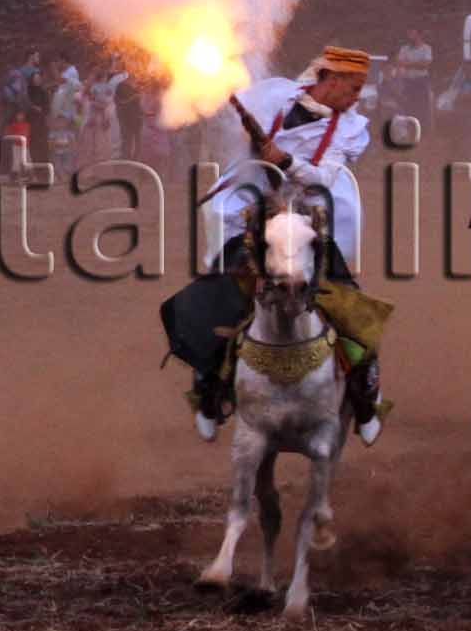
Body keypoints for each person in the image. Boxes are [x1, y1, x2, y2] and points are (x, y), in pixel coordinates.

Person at [160, 46, 383, 445]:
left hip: (309, 222)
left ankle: (366, 395)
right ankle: (208, 389)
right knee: (220, 290)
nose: (357, 97)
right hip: (251, 214)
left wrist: (286, 162)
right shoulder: (272, 94)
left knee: (349, 302)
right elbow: (226, 115)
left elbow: (322, 179)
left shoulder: (351, 128)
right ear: (330, 80)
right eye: (354, 87)